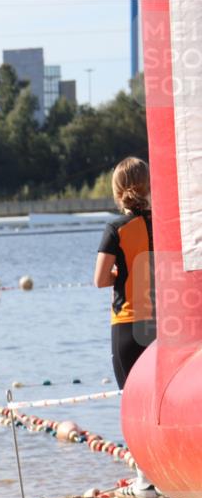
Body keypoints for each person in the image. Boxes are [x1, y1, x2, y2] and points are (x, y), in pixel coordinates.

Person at [94, 157, 156, 388]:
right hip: (165, 322)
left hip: (128, 324)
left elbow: (100, 280)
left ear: (117, 191)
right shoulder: (165, 223)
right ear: (149, 186)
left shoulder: (116, 228)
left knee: (132, 404)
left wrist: (121, 275)